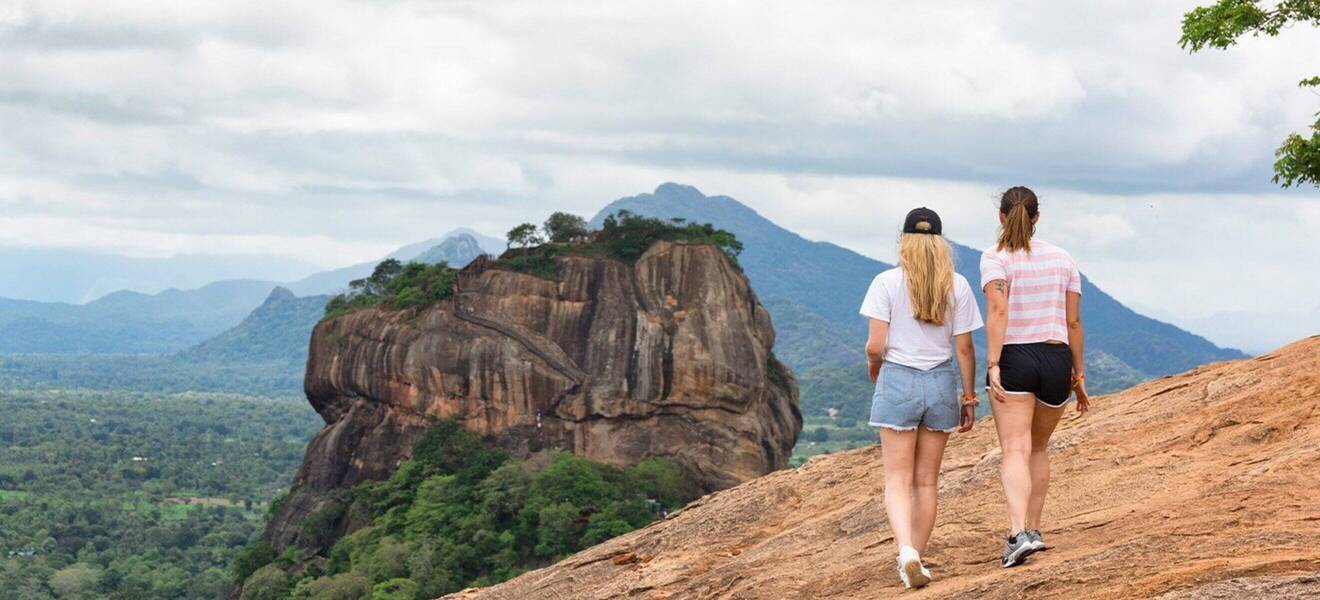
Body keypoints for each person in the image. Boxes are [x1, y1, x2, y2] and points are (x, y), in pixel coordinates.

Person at [861, 207, 983, 589]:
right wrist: (967, 396)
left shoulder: (885, 282)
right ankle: (918, 556)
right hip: (941, 381)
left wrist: (875, 366)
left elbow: (875, 345)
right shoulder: (958, 285)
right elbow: (964, 347)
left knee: (897, 480)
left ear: (905, 241)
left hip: (898, 377)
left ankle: (906, 553)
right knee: (926, 482)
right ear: (941, 243)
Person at [980, 186, 1091, 568]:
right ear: (1037, 218)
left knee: (1015, 449)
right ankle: (1035, 530)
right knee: (1038, 448)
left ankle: (1016, 535)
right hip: (1056, 357)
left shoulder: (995, 258)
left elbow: (998, 312)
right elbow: (1073, 321)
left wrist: (993, 364)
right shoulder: (1063, 259)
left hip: (1015, 357)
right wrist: (1077, 374)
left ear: (1000, 217)